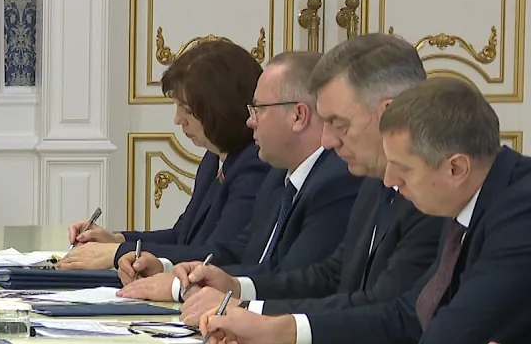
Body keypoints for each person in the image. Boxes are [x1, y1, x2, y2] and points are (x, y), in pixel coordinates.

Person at [200, 77, 531, 344]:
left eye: (403, 169)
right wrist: (276, 330)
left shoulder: (519, 213)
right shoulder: (468, 197)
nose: (390, 181)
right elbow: (410, 313)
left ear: (456, 168)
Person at [173, 34, 443, 323]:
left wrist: (256, 314)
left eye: (339, 124)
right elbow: (332, 275)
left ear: (387, 114)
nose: (328, 141)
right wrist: (236, 289)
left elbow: (389, 312)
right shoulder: (371, 182)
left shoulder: (430, 194)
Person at [116, 51, 359, 302]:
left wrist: (182, 287)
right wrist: (166, 268)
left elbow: (295, 278)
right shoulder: (278, 176)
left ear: (298, 116)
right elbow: (240, 251)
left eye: (258, 110)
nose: (250, 122)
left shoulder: (336, 181)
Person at [60, 40, 269, 270]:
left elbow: (218, 255)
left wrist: (120, 253)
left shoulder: (254, 165)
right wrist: (117, 240)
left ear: (222, 109)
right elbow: (182, 237)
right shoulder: (214, 158)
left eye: (187, 110)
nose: (178, 119)